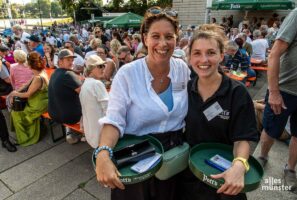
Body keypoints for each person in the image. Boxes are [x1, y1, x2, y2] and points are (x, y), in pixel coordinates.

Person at [95, 6, 190, 200]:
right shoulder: (127, 74)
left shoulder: (182, 68)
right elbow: (114, 120)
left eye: (169, 36)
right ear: (145, 38)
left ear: (176, 39)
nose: (163, 43)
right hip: (136, 155)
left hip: (174, 157)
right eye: (156, 36)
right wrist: (103, 153)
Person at [179, 25, 258, 200]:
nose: (204, 59)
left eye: (211, 52)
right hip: (188, 177)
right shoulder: (185, 88)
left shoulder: (237, 93)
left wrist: (239, 164)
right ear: (190, 57)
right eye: (197, 53)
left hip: (224, 179)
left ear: (222, 55)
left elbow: (243, 138)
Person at [257, 7, 297, 190]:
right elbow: (274, 53)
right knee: (271, 128)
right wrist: (274, 91)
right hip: (284, 89)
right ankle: (262, 157)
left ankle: (290, 169)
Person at [10, 52, 48, 146]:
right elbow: (25, 85)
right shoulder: (39, 73)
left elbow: (27, 94)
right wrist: (14, 93)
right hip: (39, 101)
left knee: (16, 114)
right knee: (15, 111)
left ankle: (25, 138)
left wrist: (15, 93)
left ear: (30, 65)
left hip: (38, 104)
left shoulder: (38, 78)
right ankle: (23, 133)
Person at [48, 49, 82, 144]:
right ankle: (87, 135)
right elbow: (84, 93)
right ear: (60, 61)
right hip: (70, 118)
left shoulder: (55, 73)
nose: (71, 62)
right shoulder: (68, 74)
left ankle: (69, 132)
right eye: (68, 60)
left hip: (53, 114)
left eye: (72, 60)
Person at [79, 55, 109, 148]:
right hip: (102, 135)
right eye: (100, 66)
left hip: (91, 134)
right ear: (91, 69)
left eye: (104, 66)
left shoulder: (85, 84)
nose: (103, 68)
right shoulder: (96, 84)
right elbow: (108, 110)